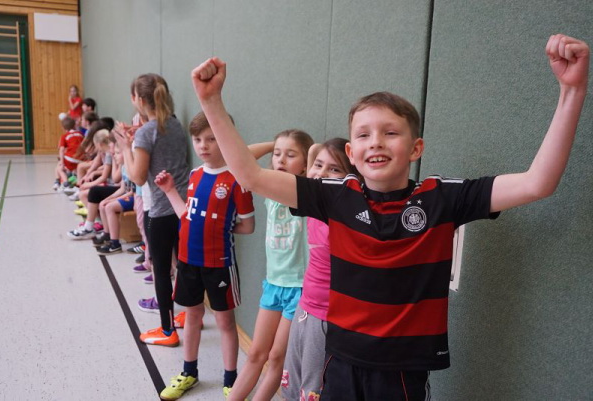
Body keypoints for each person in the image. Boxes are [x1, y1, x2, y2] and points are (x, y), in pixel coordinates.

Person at [191, 34, 589, 400]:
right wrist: (211, 103)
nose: (376, 142)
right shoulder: (334, 196)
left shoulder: (442, 198)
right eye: (364, 134)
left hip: (402, 372)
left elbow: (538, 182)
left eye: (390, 133)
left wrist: (571, 91)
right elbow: (250, 175)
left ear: (416, 148)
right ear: (352, 152)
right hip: (339, 361)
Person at [155, 111, 272, 400]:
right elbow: (186, 216)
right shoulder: (195, 175)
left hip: (219, 265)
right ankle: (189, 372)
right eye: (197, 140)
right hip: (187, 262)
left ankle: (231, 379)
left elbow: (248, 226)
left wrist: (221, 226)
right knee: (192, 316)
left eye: (211, 139)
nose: (203, 145)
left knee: (224, 323)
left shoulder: (236, 179)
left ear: (225, 138)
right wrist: (169, 191)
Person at [226, 129, 313, 401]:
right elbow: (238, 162)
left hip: (299, 289)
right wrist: (275, 144)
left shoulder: (307, 194)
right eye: (277, 154)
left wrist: (308, 153)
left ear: (306, 164)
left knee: (276, 357)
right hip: (274, 285)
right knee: (256, 353)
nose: (281, 159)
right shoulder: (269, 191)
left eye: (291, 155)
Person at [114, 73, 189, 347]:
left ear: (139, 100)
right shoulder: (175, 124)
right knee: (183, 264)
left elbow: (137, 176)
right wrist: (139, 135)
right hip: (182, 206)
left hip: (159, 210)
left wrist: (126, 147)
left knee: (161, 270)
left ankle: (167, 330)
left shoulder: (147, 132)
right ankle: (188, 316)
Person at [281, 138, 358, 401]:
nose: (321, 173)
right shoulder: (315, 204)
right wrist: (318, 161)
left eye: (334, 169)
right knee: (293, 386)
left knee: (313, 391)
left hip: (327, 318)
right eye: (318, 165)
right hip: (305, 307)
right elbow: (313, 154)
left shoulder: (345, 213)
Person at [67, 129, 121, 239]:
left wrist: (89, 184)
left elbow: (106, 176)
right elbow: (97, 164)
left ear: (99, 144)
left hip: (115, 186)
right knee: (86, 192)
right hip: (111, 184)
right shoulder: (104, 152)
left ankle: (92, 225)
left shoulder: (110, 154)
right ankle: (95, 222)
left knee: (90, 192)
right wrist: (89, 174)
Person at [95, 147, 136, 254]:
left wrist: (114, 200)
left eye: (118, 153)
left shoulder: (131, 168)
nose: (114, 156)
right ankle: (107, 234)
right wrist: (108, 199)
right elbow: (122, 189)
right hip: (126, 195)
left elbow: (132, 192)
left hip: (134, 197)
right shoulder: (123, 167)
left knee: (109, 207)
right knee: (102, 204)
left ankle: (115, 244)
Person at [53, 116, 83, 191]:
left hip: (71, 158)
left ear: (63, 128)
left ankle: (65, 184)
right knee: (74, 169)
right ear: (74, 125)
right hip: (81, 158)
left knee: (59, 168)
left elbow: (61, 150)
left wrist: (62, 162)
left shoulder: (64, 136)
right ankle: (76, 183)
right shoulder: (80, 134)